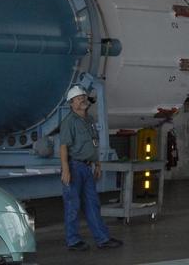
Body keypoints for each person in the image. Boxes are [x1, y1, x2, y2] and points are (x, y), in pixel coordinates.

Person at [59, 86, 123, 251]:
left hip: (87, 167)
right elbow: (64, 146)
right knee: (73, 205)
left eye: (83, 96)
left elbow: (93, 144)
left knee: (93, 204)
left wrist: (98, 164)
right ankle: (73, 240)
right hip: (73, 167)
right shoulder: (69, 122)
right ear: (71, 103)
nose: (82, 99)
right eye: (78, 98)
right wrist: (65, 169)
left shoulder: (89, 120)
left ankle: (102, 239)